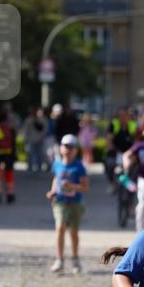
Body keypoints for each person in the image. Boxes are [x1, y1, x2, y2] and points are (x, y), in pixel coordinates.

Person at [46, 134, 88, 274]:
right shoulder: (57, 164)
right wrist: (52, 191)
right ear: (61, 148)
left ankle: (75, 259)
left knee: (73, 233)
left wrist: (72, 186)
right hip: (60, 202)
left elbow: (85, 187)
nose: (67, 150)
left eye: (71, 147)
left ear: (75, 150)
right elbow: (55, 179)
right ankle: (59, 260)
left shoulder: (79, 166)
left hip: (75, 203)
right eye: (65, 146)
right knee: (60, 228)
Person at [23, 107, 48, 173]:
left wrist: (43, 138)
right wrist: (25, 138)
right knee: (30, 154)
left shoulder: (44, 120)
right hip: (31, 140)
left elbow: (45, 130)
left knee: (40, 154)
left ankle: (39, 168)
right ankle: (30, 167)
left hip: (40, 140)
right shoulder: (29, 120)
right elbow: (26, 130)